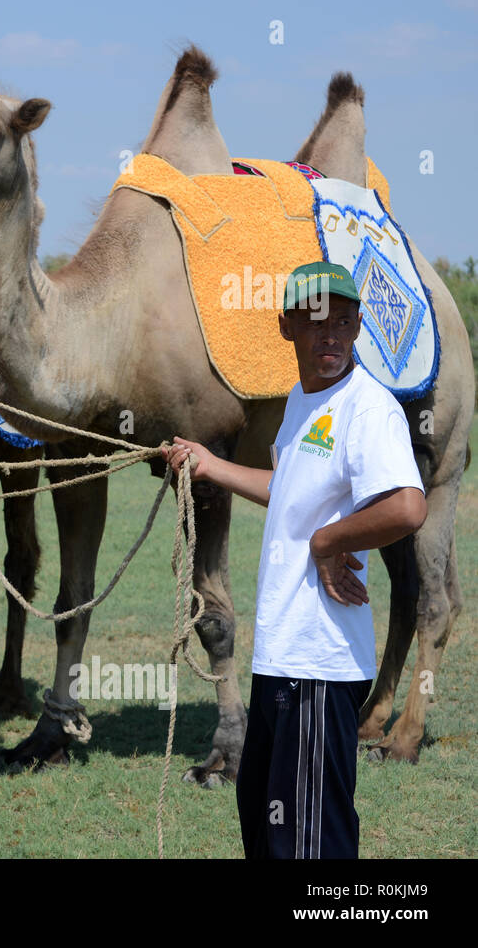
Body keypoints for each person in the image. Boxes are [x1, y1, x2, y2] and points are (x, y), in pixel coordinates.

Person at [162, 260, 427, 858]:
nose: (329, 333)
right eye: (313, 320)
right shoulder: (303, 400)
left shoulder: (368, 408)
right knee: (268, 824)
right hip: (283, 656)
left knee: (309, 843)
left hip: (320, 662)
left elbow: (409, 507)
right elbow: (288, 485)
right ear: (286, 327)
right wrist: (208, 463)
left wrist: (328, 541)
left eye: (342, 321)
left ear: (359, 326)